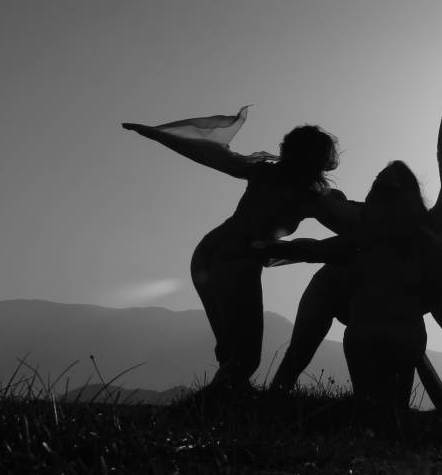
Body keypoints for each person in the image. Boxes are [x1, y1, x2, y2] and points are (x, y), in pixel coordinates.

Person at [269, 72, 442, 426]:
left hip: (423, 281)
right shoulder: (438, 210)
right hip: (374, 273)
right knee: (304, 349)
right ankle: (274, 402)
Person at [121, 112, 339, 398]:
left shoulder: (264, 172)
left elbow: (213, 155)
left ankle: (229, 407)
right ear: (321, 160)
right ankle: (191, 414)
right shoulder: (310, 197)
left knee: (229, 350)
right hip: (236, 260)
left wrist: (156, 134)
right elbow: (348, 223)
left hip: (208, 253)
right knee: (245, 358)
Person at [264, 161, 442, 428]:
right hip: (333, 288)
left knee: (392, 399)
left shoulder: (419, 236)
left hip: (378, 314)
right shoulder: (365, 221)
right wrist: (271, 248)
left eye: (387, 185)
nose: (380, 190)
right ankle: (272, 405)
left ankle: (387, 415)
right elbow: (319, 247)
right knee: (300, 352)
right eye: (377, 183)